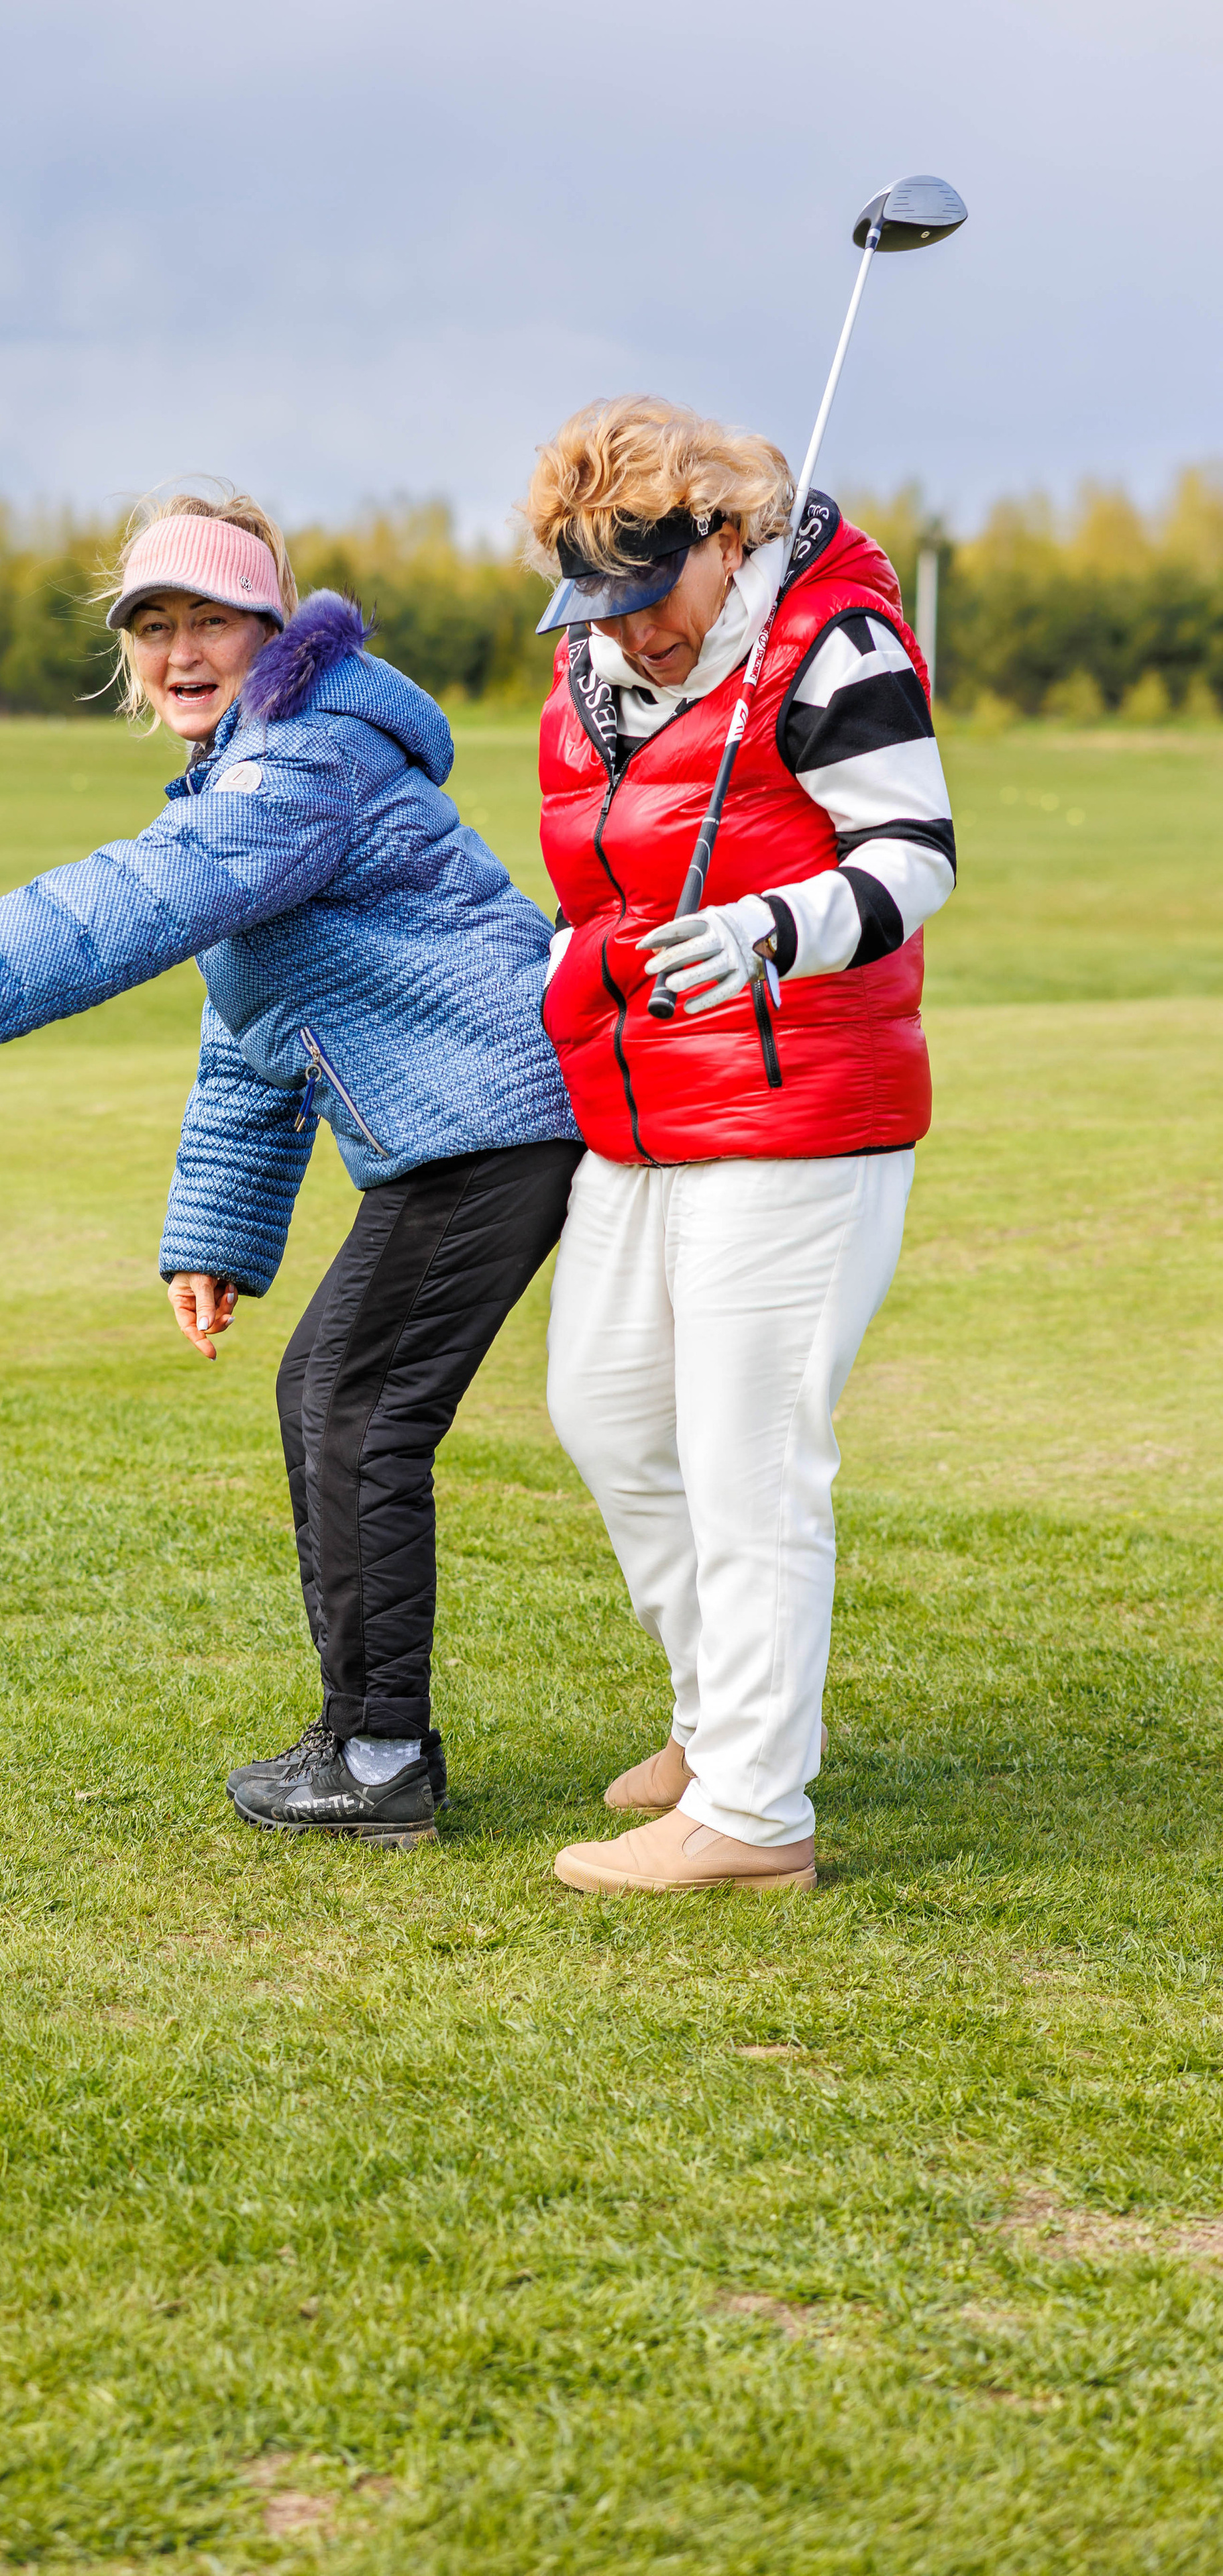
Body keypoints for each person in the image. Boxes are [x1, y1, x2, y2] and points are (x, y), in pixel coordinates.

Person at [0, 492, 580, 1846]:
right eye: (151, 627)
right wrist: (215, 1241)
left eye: (210, 623)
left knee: (351, 1408)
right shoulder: (256, 770)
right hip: (472, 1131)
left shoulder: (299, 764)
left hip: (497, 1123)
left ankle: (378, 1756)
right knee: (335, 1398)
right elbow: (247, 1041)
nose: (178, 652)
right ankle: (366, 1738)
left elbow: (136, 901)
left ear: (271, 631)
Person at [523, 398, 955, 1896]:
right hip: (638, 1102)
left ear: (724, 538)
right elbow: (600, 886)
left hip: (799, 1102)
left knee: (746, 1458)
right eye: (599, 606)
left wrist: (776, 931)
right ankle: (716, 1729)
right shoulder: (585, 675)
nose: (632, 633)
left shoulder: (829, 644)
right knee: (605, 1415)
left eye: (651, 599)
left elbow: (913, 855)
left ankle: (755, 1817)